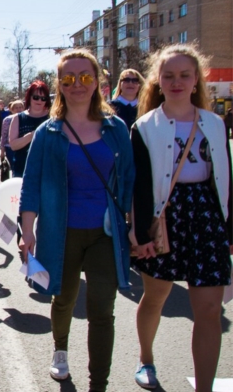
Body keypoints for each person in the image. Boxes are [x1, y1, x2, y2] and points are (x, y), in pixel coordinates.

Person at [18, 49, 134, 392]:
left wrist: (136, 229)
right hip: (60, 231)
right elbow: (32, 185)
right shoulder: (48, 133)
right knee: (64, 297)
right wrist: (27, 233)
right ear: (59, 85)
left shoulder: (116, 129)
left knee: (101, 309)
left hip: (105, 233)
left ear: (97, 80)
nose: (77, 84)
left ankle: (99, 384)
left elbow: (128, 181)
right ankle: (60, 349)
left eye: (85, 77)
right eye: (68, 79)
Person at [130, 45, 232, 392]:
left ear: (196, 80)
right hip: (165, 218)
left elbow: (225, 178)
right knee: (156, 296)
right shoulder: (145, 127)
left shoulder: (215, 124)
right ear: (158, 81)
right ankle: (145, 359)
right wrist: (141, 234)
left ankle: (204, 387)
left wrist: (229, 229)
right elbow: (140, 185)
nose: (176, 82)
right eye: (169, 75)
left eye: (184, 75)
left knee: (208, 310)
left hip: (206, 216)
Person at [9, 80, 51, 178]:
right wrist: (34, 134)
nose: (39, 101)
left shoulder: (53, 117)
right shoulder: (18, 118)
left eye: (43, 98)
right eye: (36, 97)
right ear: (29, 97)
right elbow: (13, 145)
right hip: (23, 169)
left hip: (47, 170)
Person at [0, 100, 25, 178]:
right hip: (10, 148)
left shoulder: (26, 119)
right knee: (15, 168)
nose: (18, 109)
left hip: (24, 146)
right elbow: (4, 136)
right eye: (16, 108)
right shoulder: (7, 120)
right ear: (12, 110)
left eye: (20, 107)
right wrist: (2, 151)